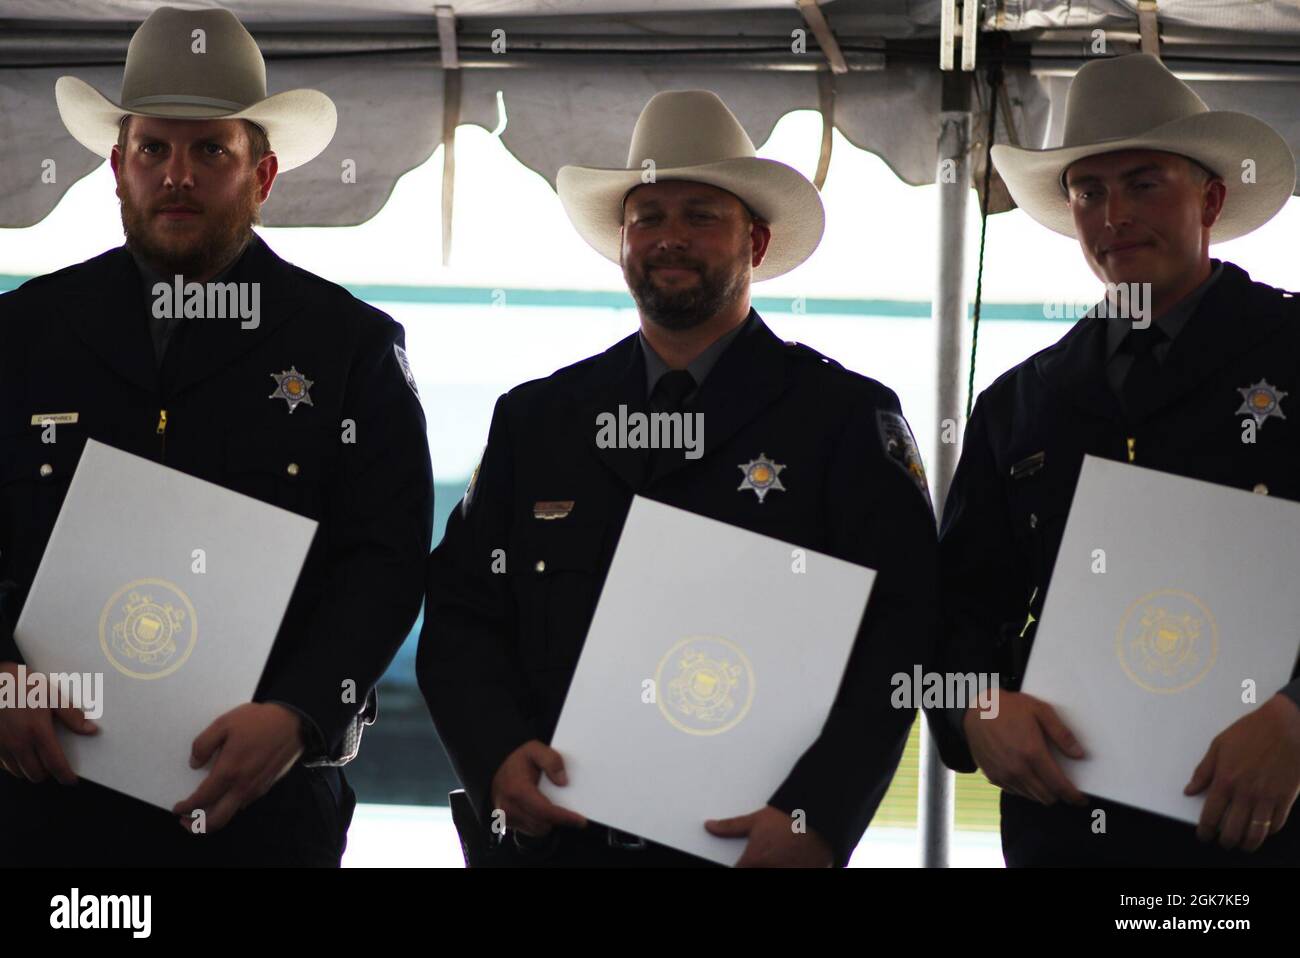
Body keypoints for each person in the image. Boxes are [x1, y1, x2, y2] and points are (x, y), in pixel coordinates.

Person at [419, 89, 938, 867]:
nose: (670, 239)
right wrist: (495, 757)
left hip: (749, 852)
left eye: (701, 215)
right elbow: (460, 615)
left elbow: (900, 635)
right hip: (557, 849)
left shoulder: (841, 420)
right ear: (622, 240)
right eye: (648, 217)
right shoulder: (538, 420)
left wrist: (816, 818)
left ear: (755, 243)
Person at [0, 6, 433, 866]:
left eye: (211, 152)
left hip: (262, 812)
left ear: (262, 175)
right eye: (153, 149)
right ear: (116, 168)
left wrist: (303, 712)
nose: (177, 176)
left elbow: (384, 560)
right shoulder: (21, 334)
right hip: (42, 806)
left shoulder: (349, 347)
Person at [928, 53, 1300, 866]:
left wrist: (1296, 715)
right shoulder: (1020, 402)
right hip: (1067, 827)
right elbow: (952, 608)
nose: (1114, 214)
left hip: (1262, 831)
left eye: (1143, 183)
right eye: (1088, 192)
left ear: (1210, 197)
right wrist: (977, 707)